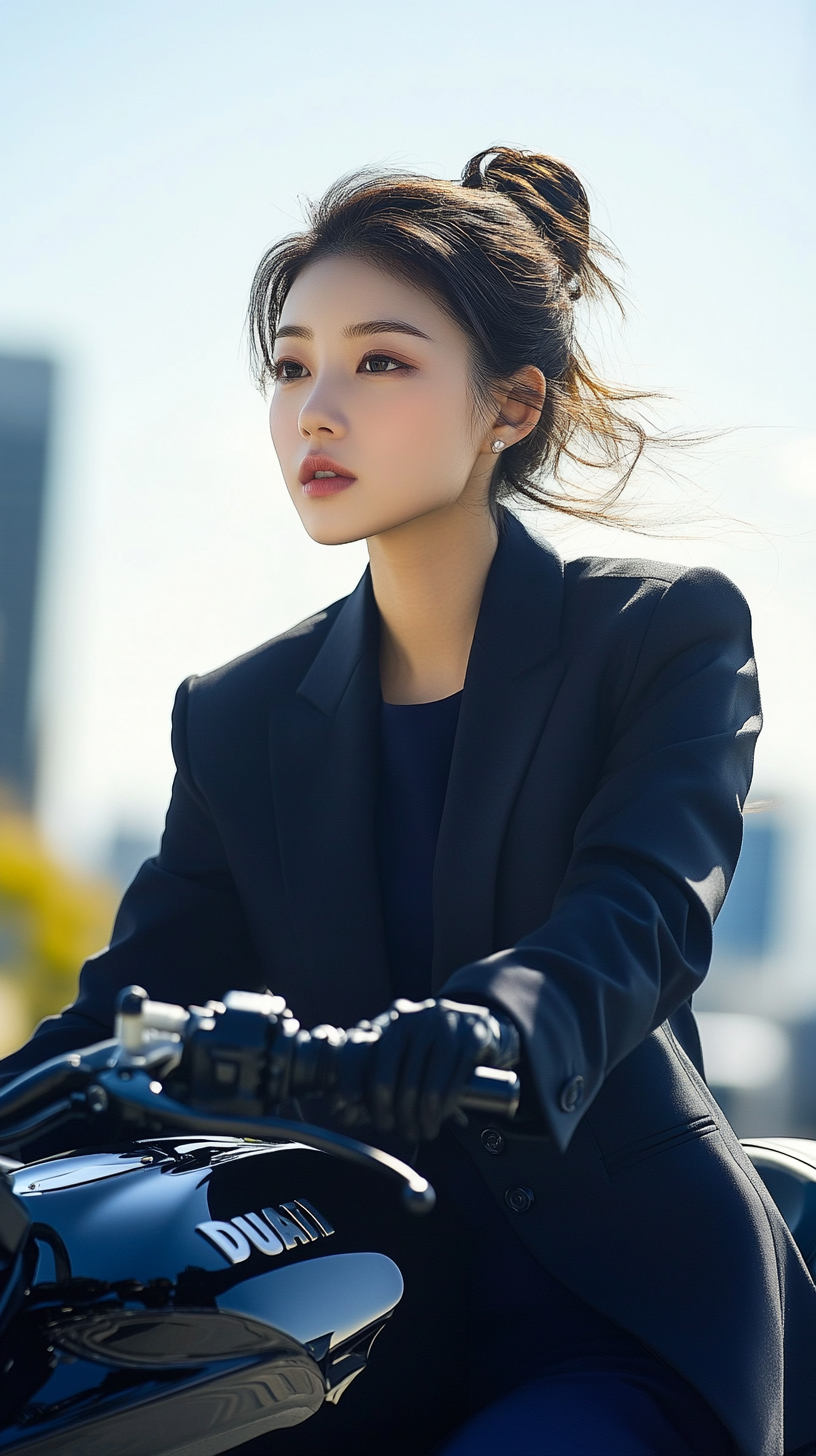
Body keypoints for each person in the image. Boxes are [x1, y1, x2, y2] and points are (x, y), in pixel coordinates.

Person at [3, 147, 816, 1456]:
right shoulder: (236, 711)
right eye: (290, 365)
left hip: (614, 1311)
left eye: (378, 361)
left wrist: (474, 1031)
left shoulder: (663, 634)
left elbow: (637, 921)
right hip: (334, 1304)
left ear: (511, 405)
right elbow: (124, 1011)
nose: (315, 408)